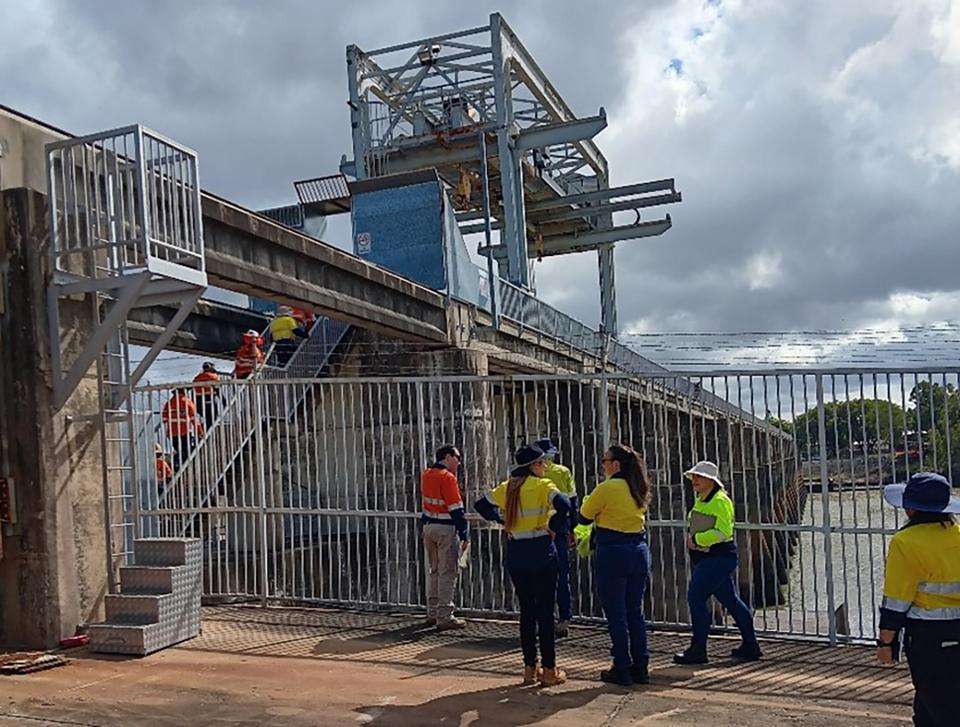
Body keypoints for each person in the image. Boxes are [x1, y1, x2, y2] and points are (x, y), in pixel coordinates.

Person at [475, 443, 570, 687]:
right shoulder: (543, 485)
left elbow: (480, 505)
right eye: (542, 462)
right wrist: (554, 526)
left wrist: (501, 520)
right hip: (541, 550)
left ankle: (529, 668)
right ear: (534, 465)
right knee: (546, 611)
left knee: (527, 611)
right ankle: (549, 669)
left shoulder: (507, 487)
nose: (545, 466)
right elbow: (565, 505)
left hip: (517, 552)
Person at [877, 472, 960, 726]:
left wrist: (886, 643)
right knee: (930, 707)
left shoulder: (905, 542)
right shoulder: (957, 535)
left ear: (911, 509)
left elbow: (896, 600)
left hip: (929, 638)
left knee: (938, 708)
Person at [578, 443, 652, 686]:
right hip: (638, 549)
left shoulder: (607, 488)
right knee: (634, 611)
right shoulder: (637, 486)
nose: (603, 465)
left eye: (605, 461)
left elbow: (584, 516)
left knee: (616, 613)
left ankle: (621, 666)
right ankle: (641, 666)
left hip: (613, 551)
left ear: (615, 465)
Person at [674, 460, 761, 665]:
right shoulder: (702, 499)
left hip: (717, 557)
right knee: (731, 600)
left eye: (699, 477)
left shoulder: (720, 500)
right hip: (708, 557)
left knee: (696, 598)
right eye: (693, 476)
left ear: (711, 480)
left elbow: (723, 532)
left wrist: (697, 540)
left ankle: (698, 649)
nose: (694, 480)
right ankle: (751, 645)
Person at [420, 444, 470, 631]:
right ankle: (445, 616)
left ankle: (432, 613)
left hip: (429, 527)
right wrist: (464, 533)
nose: (459, 462)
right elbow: (456, 508)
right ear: (447, 457)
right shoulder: (447, 477)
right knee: (447, 572)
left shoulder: (426, 475)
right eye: (457, 458)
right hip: (445, 529)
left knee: (434, 571)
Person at [534, 437, 577, 637]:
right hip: (559, 528)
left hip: (537, 529)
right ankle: (564, 618)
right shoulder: (562, 471)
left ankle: (543, 619)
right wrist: (573, 528)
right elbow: (573, 502)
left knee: (539, 577)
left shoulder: (532, 474)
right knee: (561, 575)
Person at [161, 388, 204, 470]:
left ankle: (177, 465)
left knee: (179, 450)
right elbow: (194, 419)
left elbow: (164, 419)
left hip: (172, 433)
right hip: (184, 431)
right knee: (186, 451)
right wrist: (200, 432)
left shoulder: (169, 403)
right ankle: (181, 466)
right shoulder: (187, 402)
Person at [193, 362, 221, 426]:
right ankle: (209, 430)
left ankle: (206, 430)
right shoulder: (213, 376)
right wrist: (223, 401)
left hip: (199, 402)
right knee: (212, 419)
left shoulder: (197, 377)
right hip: (209, 400)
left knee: (207, 419)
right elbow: (217, 389)